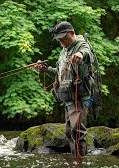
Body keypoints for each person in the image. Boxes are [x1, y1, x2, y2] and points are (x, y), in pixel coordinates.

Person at [34, 21, 95, 157]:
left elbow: (87, 53)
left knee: (77, 131)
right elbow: (60, 73)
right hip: (68, 99)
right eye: (59, 39)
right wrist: (46, 69)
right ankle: (76, 163)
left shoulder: (80, 44)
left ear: (72, 33)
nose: (61, 41)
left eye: (63, 38)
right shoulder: (64, 50)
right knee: (70, 132)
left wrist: (80, 55)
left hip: (79, 98)